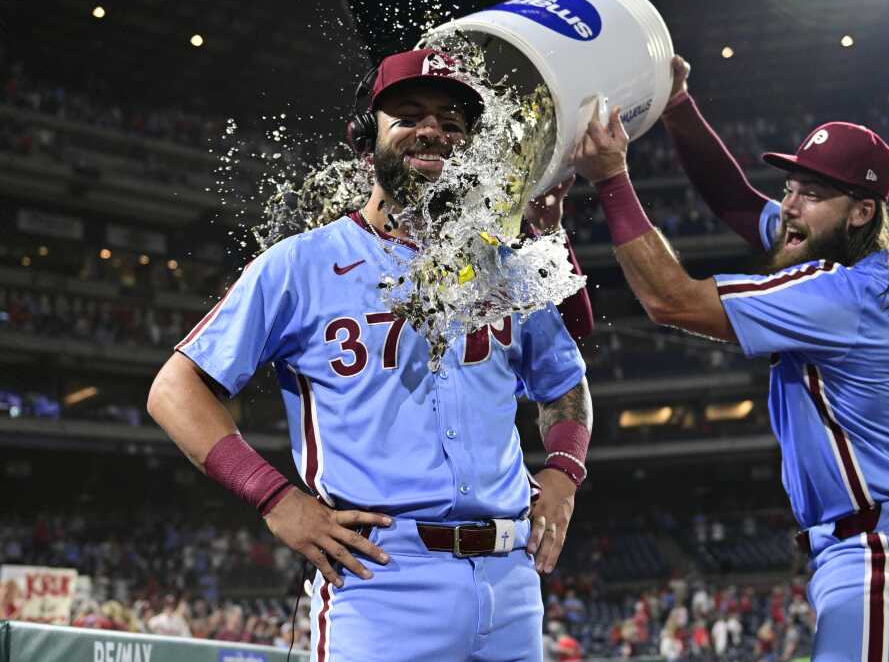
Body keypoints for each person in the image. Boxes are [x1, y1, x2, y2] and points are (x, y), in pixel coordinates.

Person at [147, 48, 593, 661]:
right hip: (381, 580)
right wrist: (275, 498)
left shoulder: (503, 264)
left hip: (511, 580)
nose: (433, 130)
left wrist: (564, 474)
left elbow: (565, 381)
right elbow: (175, 390)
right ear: (366, 138)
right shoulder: (300, 264)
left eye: (453, 123)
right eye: (409, 115)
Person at [571, 56, 889, 661]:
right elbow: (733, 199)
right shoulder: (843, 261)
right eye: (789, 186)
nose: (789, 205)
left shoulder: (839, 295)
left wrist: (611, 179)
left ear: (861, 212)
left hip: (886, 552)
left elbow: (670, 300)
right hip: (871, 544)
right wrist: (679, 107)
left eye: (812, 193)